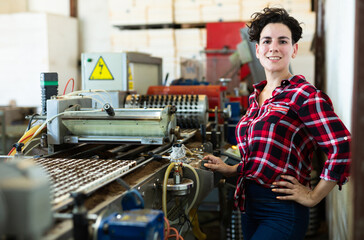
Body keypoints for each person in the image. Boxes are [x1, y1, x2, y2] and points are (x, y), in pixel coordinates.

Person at [203, 7, 351, 240]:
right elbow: (264, 156)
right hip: (249, 207)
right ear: (258, 50)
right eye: (267, 41)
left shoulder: (304, 95)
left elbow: (343, 146)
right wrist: (231, 169)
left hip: (283, 210)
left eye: (283, 41)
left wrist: (314, 196)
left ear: (294, 49)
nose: (274, 47)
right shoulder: (256, 96)